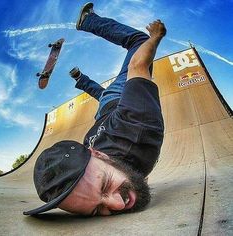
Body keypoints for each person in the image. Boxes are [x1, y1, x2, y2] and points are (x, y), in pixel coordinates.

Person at [24, 2, 166, 217]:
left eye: (105, 185)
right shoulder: (89, 159)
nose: (118, 205)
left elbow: (137, 66)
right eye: (98, 210)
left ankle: (89, 21)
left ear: (98, 154)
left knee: (139, 41)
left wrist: (155, 36)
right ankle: (80, 79)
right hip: (102, 118)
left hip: (116, 102)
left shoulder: (139, 124)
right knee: (101, 96)